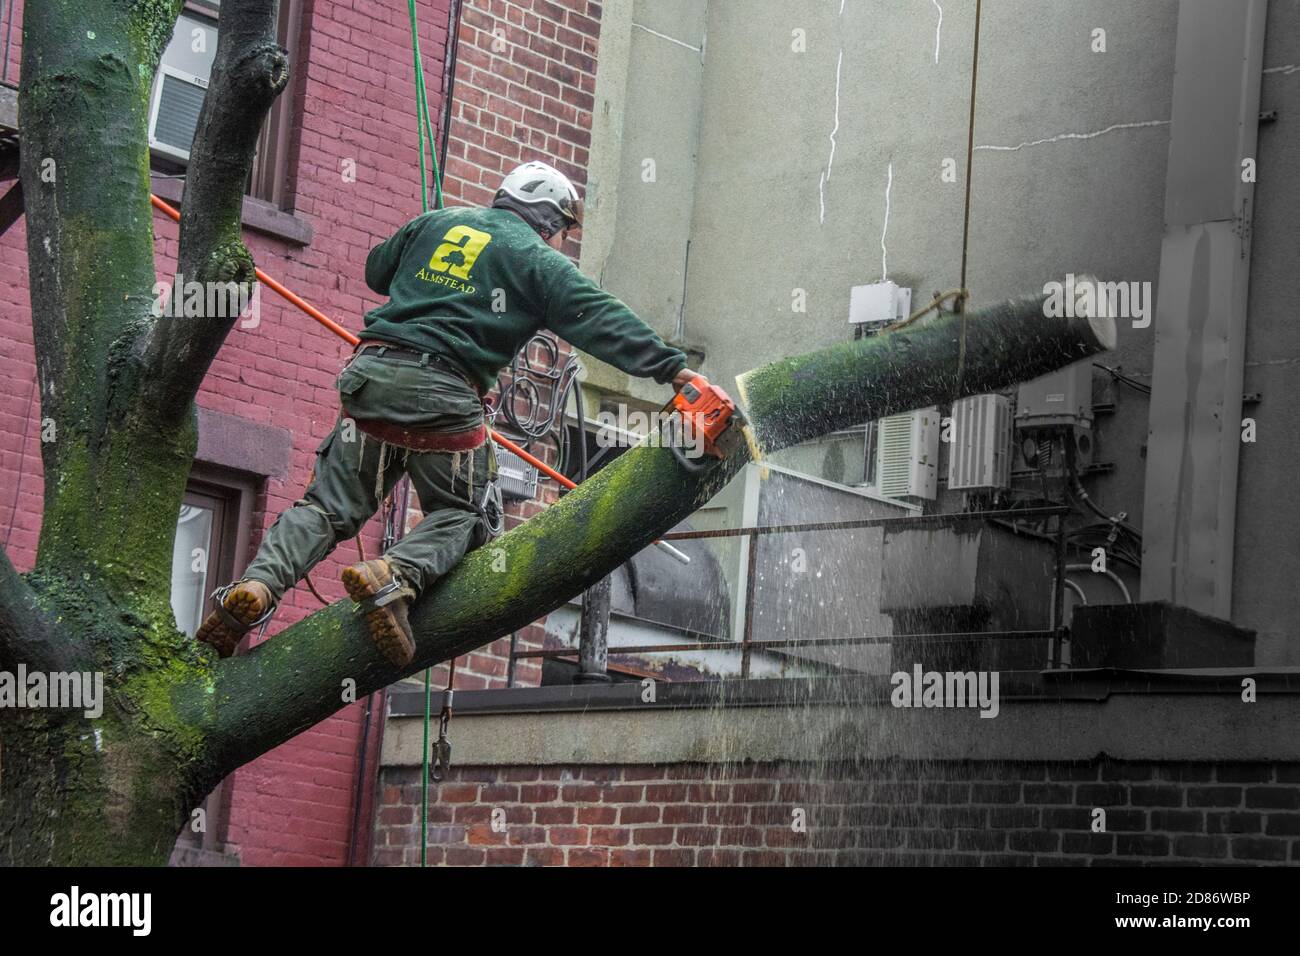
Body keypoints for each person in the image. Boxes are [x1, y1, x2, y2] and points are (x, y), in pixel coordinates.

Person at [196, 160, 697, 666]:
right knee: (468, 513)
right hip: (443, 394)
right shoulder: (537, 261)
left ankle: (258, 587)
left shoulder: (436, 222)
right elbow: (602, 320)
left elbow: (376, 271)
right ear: (549, 221)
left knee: (328, 506)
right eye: (563, 232)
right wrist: (675, 371)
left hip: (370, 378)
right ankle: (395, 574)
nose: (561, 243)